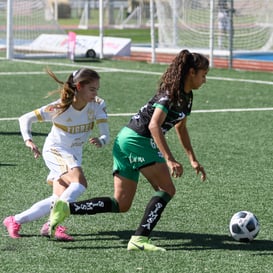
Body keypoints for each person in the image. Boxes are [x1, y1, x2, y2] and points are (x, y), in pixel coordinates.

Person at [49, 49, 209, 251]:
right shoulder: (170, 95)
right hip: (138, 140)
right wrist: (169, 158)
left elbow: (181, 126)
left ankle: (66, 207)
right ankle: (139, 239)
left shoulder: (187, 97)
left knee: (121, 204)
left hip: (125, 139)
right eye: (203, 75)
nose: (205, 80)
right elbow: (153, 125)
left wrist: (192, 159)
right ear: (191, 72)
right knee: (167, 189)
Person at [3, 68, 109, 241]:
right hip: (56, 150)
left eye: (97, 89)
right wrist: (28, 140)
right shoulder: (60, 106)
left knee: (58, 197)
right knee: (79, 183)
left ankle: (15, 220)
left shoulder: (97, 104)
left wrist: (101, 140)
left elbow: (106, 135)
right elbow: (25, 118)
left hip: (74, 154)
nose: (95, 93)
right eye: (92, 89)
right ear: (79, 86)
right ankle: (54, 221)